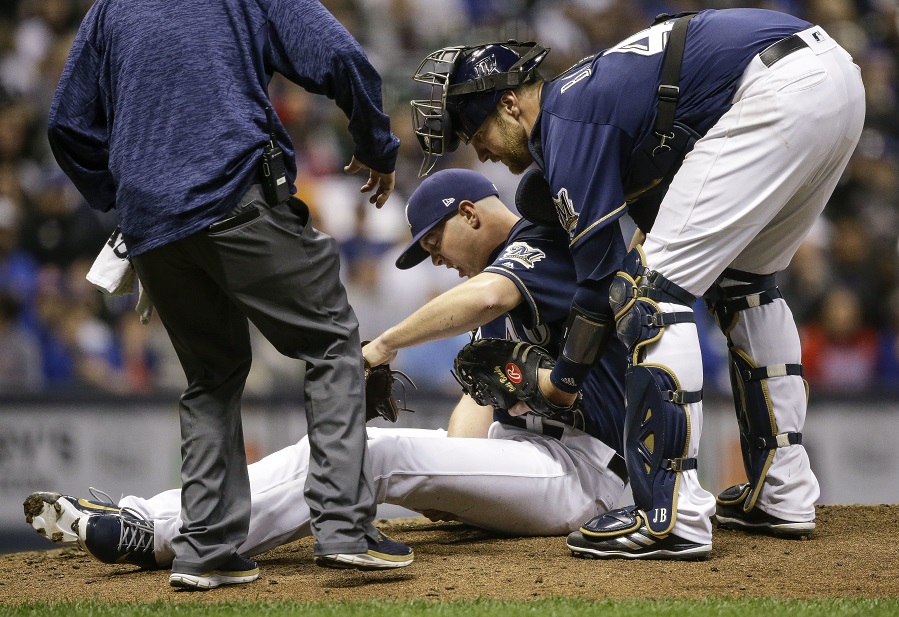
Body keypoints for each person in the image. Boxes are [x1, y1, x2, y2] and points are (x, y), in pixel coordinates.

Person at [410, 7, 865, 559]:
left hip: (774, 89)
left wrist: (565, 377)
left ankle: (669, 514)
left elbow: (602, 283)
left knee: (651, 297)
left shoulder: (565, 119)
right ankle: (784, 494)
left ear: (510, 103)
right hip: (834, 77)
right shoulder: (591, 101)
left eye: (476, 132)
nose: (479, 151)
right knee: (746, 286)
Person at [25, 168, 634, 567]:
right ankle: (152, 515)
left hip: (589, 471)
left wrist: (382, 345)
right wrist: (451, 480)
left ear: (469, 214)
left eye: (432, 242)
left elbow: (489, 296)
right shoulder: (494, 290)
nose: (436, 259)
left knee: (368, 452)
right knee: (366, 451)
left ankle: (156, 531)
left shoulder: (544, 245)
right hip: (535, 459)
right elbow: (478, 400)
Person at [46, 0, 409, 589]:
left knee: (212, 374)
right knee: (331, 342)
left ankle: (208, 547)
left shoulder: (111, 7)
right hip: (235, 198)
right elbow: (341, 54)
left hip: (151, 226)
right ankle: (345, 529)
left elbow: (66, 122)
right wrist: (376, 143)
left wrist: (130, 192)